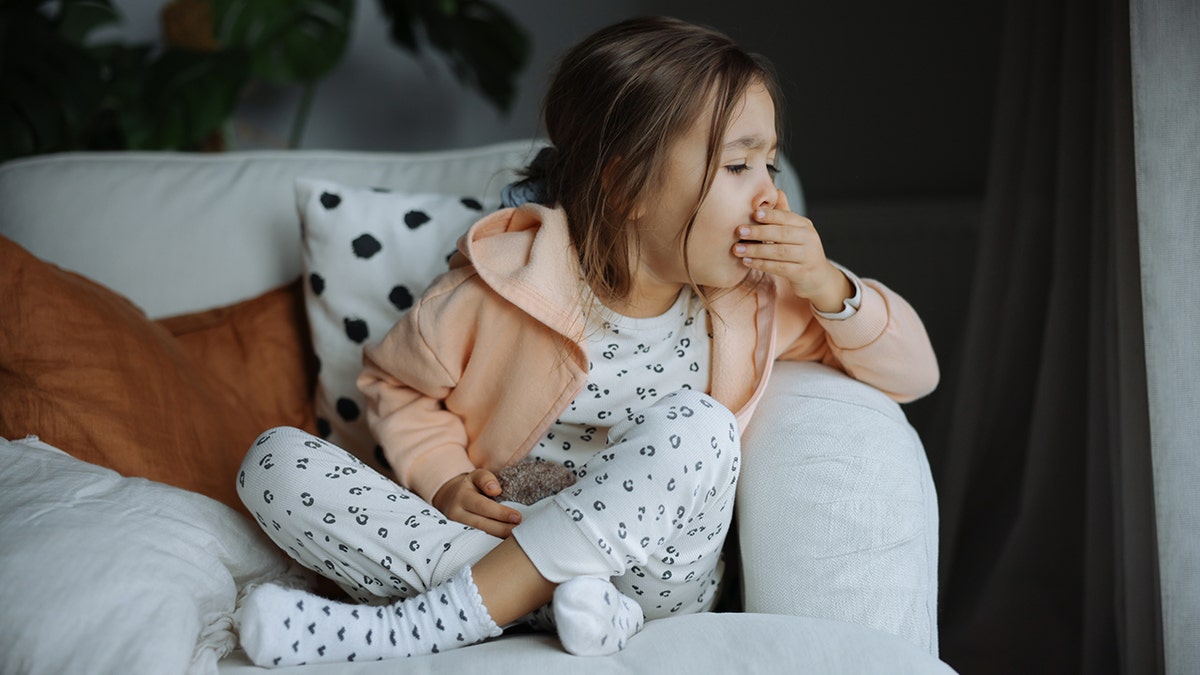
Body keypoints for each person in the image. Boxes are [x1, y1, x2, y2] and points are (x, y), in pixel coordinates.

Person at [235, 15, 939, 667]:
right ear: (627, 182)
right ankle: (546, 606)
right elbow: (397, 383)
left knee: (702, 427)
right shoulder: (504, 282)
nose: (770, 197)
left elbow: (916, 372)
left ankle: (429, 620)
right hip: (496, 539)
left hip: (653, 580)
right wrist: (442, 476)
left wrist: (825, 285)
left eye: (771, 165)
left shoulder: (754, 299)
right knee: (273, 462)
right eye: (738, 166)